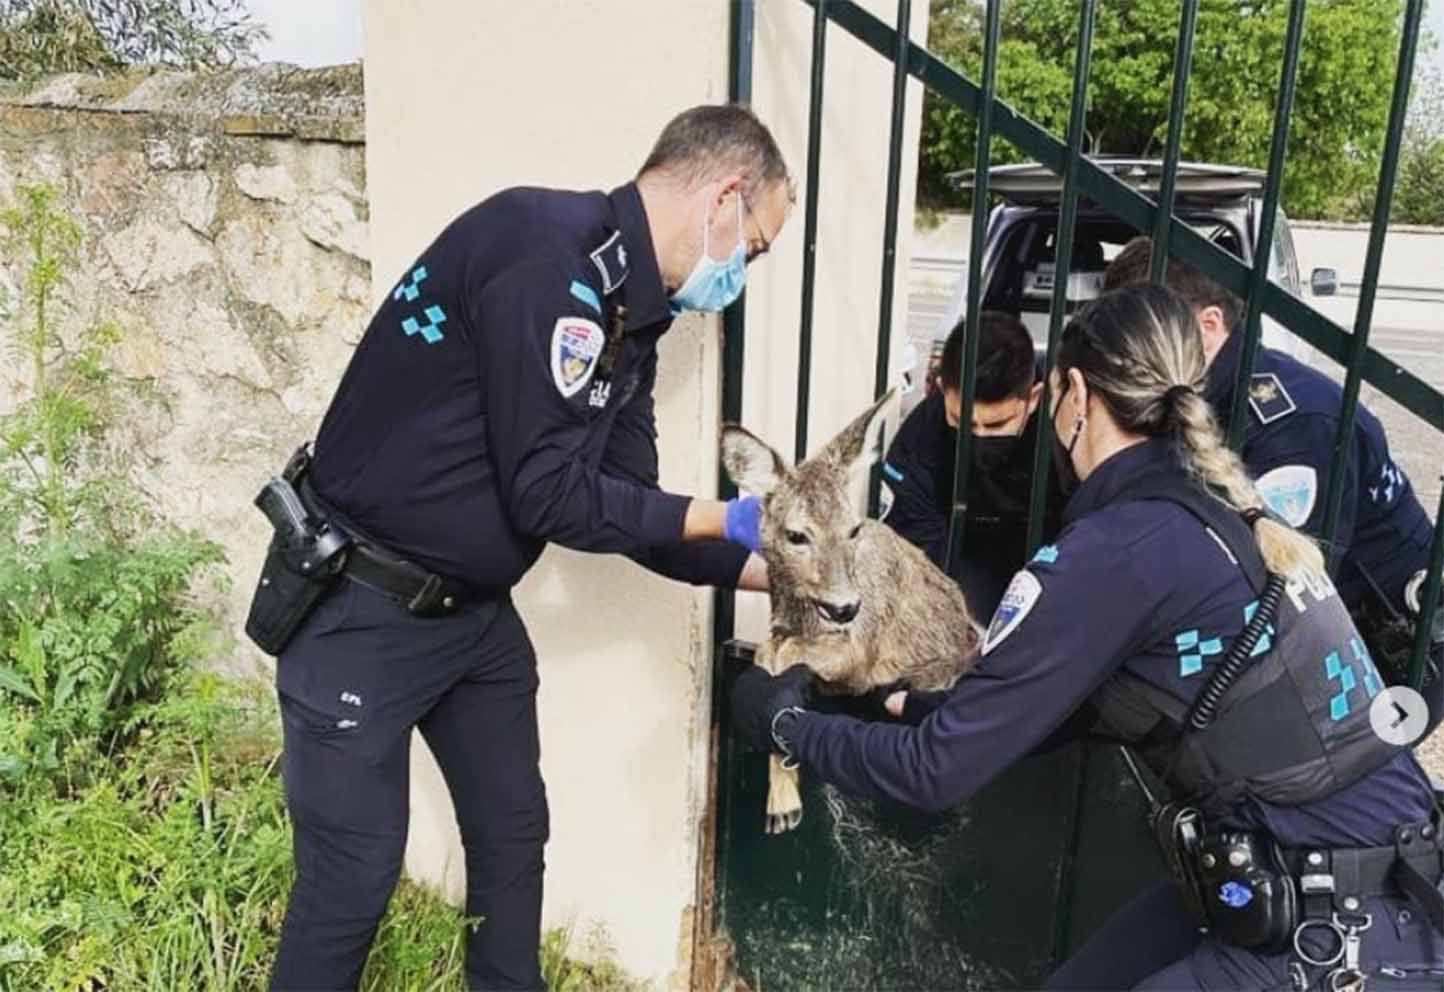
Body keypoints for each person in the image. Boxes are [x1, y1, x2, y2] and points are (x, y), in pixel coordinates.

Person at [730, 283, 1444, 989]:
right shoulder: (1210, 507)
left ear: (1073, 395)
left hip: (1341, 932)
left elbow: (933, 774)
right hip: (1315, 877)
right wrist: (939, 711)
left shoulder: (1119, 549)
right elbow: (1082, 703)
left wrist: (784, 724)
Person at [262, 104, 789, 991]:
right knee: (350, 880)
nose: (746, 268)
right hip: (362, 607)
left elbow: (634, 511)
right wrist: (731, 515)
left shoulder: (634, 316)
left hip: (470, 620)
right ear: (724, 196)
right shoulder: (540, 250)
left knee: (512, 834)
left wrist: (778, 570)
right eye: (758, 246)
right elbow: (549, 496)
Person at [1105, 237, 1441, 716]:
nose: (1127, 353)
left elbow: (1292, 589)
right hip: (1330, 641)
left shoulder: (1292, 425)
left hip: (1392, 654)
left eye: (1141, 334)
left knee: (1342, 780)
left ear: (1209, 324)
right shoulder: (1204, 393)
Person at [882, 311, 1062, 616]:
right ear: (941, 388)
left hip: (1049, 557)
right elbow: (910, 549)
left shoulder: (1064, 428)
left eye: (996, 425)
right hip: (956, 557)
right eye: (961, 421)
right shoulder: (919, 440)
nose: (978, 436)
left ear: (1033, 399)